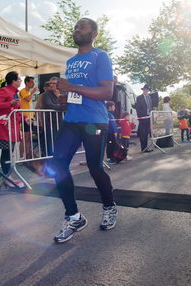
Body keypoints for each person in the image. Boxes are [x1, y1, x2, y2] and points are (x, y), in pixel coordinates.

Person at [51, 18, 117, 244]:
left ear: (94, 33)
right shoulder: (71, 62)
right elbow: (75, 95)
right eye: (76, 27)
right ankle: (73, 216)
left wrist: (71, 87)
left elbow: (107, 92)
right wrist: (63, 97)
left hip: (95, 122)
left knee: (95, 168)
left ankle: (109, 206)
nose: (77, 29)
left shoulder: (101, 56)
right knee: (57, 165)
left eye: (83, 27)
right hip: (71, 120)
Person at [0, 71, 23, 176]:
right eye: (19, 79)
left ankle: (8, 175)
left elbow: (16, 110)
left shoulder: (14, 92)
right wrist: (10, 103)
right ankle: (7, 176)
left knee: (10, 152)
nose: (21, 81)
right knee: (6, 152)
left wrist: (25, 118)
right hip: (4, 127)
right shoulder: (4, 90)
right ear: (13, 81)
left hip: (13, 127)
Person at [36, 77, 65, 157]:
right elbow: (50, 105)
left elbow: (68, 104)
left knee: (61, 145)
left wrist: (64, 107)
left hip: (62, 124)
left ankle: (59, 163)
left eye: (54, 83)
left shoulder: (63, 94)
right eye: (50, 83)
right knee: (50, 146)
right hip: (50, 124)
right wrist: (63, 107)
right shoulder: (46, 95)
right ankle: (50, 163)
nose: (51, 85)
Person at [19, 76, 38, 161]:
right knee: (25, 136)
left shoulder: (28, 92)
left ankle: (27, 155)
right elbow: (27, 99)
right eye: (31, 82)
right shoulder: (23, 91)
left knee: (29, 137)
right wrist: (33, 92)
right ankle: (21, 155)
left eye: (33, 82)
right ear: (26, 82)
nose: (33, 84)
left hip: (30, 116)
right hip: (24, 116)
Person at [135, 84, 153, 152]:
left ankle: (146, 148)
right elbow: (137, 108)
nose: (146, 90)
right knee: (142, 133)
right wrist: (140, 117)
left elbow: (150, 107)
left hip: (148, 117)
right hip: (142, 117)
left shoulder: (149, 97)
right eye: (145, 89)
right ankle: (143, 148)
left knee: (146, 133)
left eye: (147, 89)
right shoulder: (139, 97)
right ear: (143, 90)